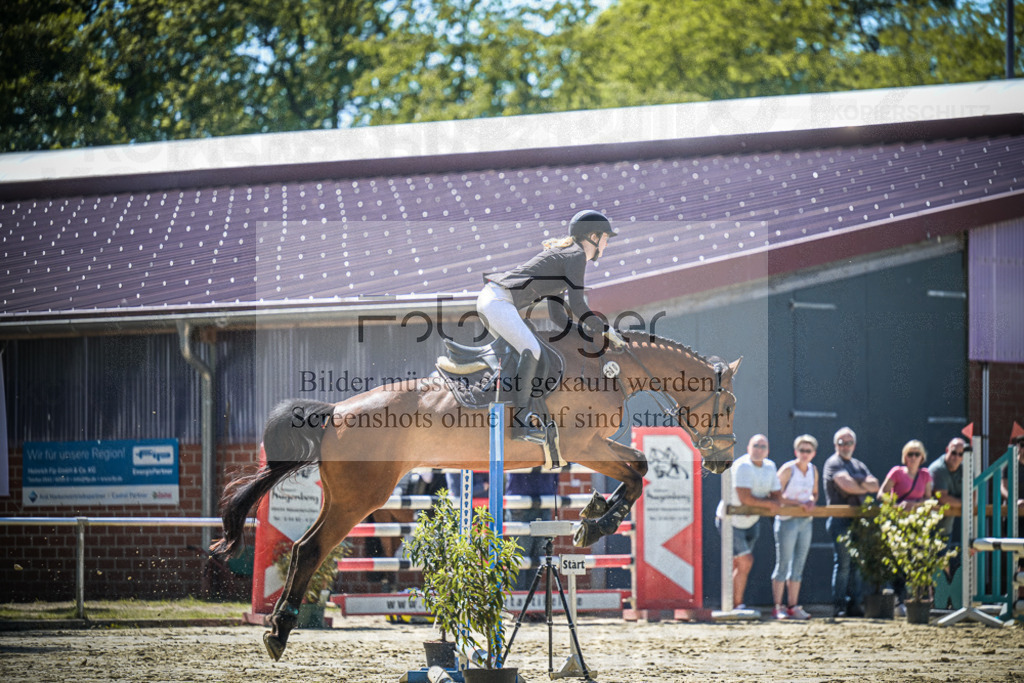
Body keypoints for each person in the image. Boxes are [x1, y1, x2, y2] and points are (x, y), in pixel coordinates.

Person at [477, 210, 625, 440]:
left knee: (531, 354)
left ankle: (511, 411)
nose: (606, 243)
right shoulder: (575, 256)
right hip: (497, 301)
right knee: (532, 350)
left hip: (495, 301)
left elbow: (558, 317)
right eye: (605, 237)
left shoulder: (568, 257)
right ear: (593, 237)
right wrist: (604, 329)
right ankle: (520, 424)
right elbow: (577, 304)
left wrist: (586, 335)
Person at [716, 434, 782, 613]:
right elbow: (745, 498)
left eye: (763, 447)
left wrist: (766, 502)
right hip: (730, 520)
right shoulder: (742, 465)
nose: (759, 450)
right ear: (748, 448)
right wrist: (767, 503)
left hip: (752, 522)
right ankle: (736, 604)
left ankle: (732, 604)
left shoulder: (770, 466)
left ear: (767, 450)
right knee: (745, 561)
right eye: (756, 445)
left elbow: (777, 495)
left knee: (739, 565)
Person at [823, 426, 880, 617]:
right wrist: (860, 483)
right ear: (835, 445)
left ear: (854, 445)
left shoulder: (858, 465)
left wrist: (854, 483)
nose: (845, 446)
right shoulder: (832, 463)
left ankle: (854, 605)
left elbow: (875, 485)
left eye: (848, 442)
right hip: (839, 520)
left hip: (859, 522)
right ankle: (839, 606)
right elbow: (845, 484)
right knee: (843, 564)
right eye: (841, 442)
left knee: (857, 565)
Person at [771, 434, 819, 620]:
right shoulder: (788, 470)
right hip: (787, 520)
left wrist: (811, 502)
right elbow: (776, 494)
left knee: (798, 565)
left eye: (808, 451)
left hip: (805, 521)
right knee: (783, 563)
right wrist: (797, 504)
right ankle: (778, 606)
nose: (804, 454)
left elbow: (814, 493)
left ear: (813, 453)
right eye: (801, 450)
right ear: (796, 452)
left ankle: (793, 605)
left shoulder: (813, 470)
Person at [506, 468, 560, 590]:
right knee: (520, 556)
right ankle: (517, 603)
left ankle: (529, 601)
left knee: (538, 557)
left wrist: (552, 491)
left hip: (543, 499)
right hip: (522, 499)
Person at [929, 437, 966, 554]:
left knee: (943, 566)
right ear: (947, 450)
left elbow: (974, 497)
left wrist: (959, 501)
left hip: (946, 530)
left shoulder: (966, 468)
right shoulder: (938, 469)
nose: (957, 457)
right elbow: (943, 498)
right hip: (928, 529)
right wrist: (965, 502)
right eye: (954, 452)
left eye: (961, 454)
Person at [880, 440, 933, 507]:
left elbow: (928, 498)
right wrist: (896, 505)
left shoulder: (925, 474)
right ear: (905, 456)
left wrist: (913, 504)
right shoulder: (896, 472)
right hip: (896, 513)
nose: (913, 457)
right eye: (910, 454)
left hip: (917, 515)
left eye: (917, 454)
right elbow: (881, 494)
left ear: (922, 457)